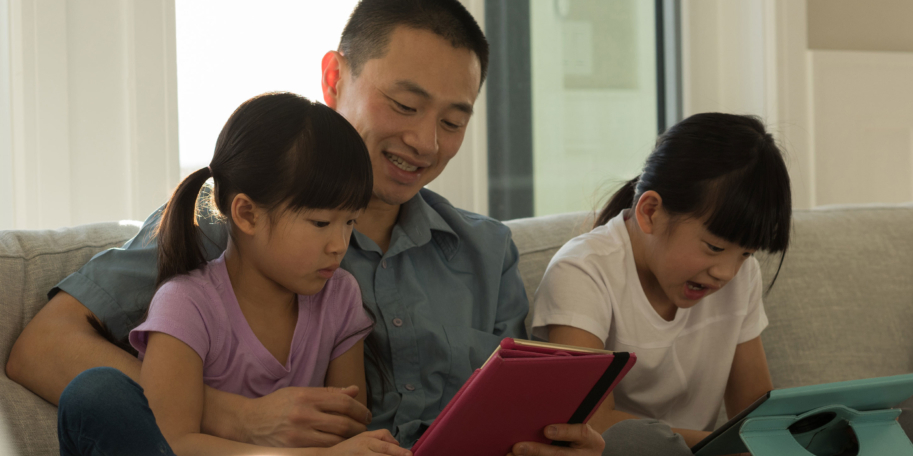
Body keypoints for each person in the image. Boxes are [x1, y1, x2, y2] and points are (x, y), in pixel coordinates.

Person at [7, 1, 604, 455]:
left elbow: (519, 412)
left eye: (453, 120)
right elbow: (44, 348)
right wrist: (234, 415)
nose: (426, 141)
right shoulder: (230, 223)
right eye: (403, 105)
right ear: (334, 78)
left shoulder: (486, 250)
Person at [57, 93, 413, 455]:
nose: (339, 244)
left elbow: (343, 431)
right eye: (320, 222)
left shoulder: (340, 297)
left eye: (349, 222)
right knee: (97, 391)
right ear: (247, 215)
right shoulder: (186, 305)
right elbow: (173, 444)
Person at [531, 113, 792, 455]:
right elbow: (591, 423)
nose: (726, 273)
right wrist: (731, 446)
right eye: (714, 247)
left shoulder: (742, 277)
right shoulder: (582, 270)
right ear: (650, 212)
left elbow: (757, 413)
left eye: (745, 253)